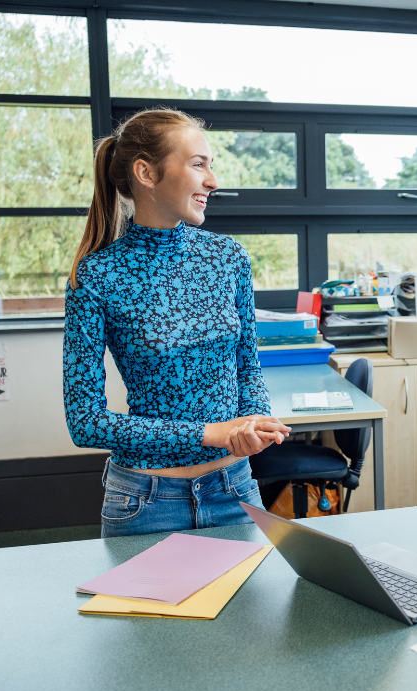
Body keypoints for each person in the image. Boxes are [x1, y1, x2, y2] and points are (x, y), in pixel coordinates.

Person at [63, 108, 291, 537]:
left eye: (211, 165)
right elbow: (85, 421)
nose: (213, 181)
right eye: (198, 164)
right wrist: (213, 433)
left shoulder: (229, 258)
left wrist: (252, 423)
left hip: (235, 491)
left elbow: (247, 367)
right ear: (146, 173)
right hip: (146, 502)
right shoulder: (96, 276)